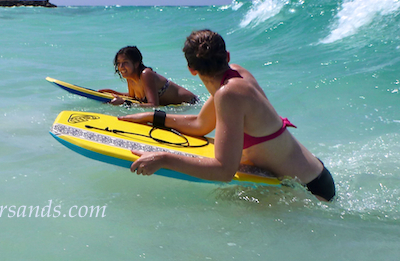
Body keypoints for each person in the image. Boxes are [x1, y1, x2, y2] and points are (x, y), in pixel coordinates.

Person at [121, 30, 335, 201]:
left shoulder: (229, 94)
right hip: (316, 175)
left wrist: (163, 159)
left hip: (309, 191)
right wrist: (152, 116)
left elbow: (224, 171)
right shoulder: (236, 74)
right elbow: (200, 124)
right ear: (227, 56)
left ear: (191, 69)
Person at [99, 46, 199, 107]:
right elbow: (132, 97)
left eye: (125, 63)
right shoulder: (130, 77)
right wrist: (111, 92)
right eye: (119, 63)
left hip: (191, 104)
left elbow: (153, 105)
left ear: (136, 64)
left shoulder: (146, 74)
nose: (121, 67)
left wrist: (124, 103)